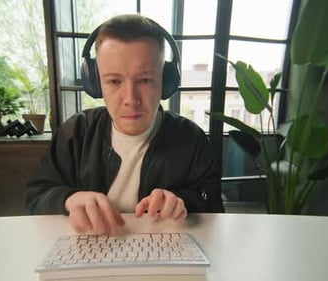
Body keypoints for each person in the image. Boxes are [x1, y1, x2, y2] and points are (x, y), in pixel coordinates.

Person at [26, 14, 223, 235]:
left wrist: (183, 202)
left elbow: (214, 204)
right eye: (114, 81)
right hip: (88, 249)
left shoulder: (191, 138)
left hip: (162, 251)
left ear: (166, 82)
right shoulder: (76, 132)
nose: (131, 99)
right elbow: (36, 196)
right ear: (95, 83)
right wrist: (68, 199)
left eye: (145, 80)